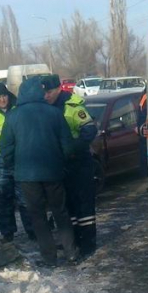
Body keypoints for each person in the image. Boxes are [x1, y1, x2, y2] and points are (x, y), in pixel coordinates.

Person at [0, 76, 77, 267]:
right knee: (60, 212)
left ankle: (49, 257)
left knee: (38, 216)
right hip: (53, 172)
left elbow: (5, 146)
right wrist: (63, 162)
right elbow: (67, 145)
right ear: (39, 92)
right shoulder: (54, 113)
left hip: (27, 176)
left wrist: (12, 166)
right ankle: (71, 251)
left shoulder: (13, 116)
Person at [41, 74, 99, 257]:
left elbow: (89, 130)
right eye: (44, 93)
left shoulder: (73, 106)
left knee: (84, 204)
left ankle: (88, 242)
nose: (46, 96)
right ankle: (74, 241)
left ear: (58, 89)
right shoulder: (44, 109)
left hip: (79, 162)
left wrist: (73, 148)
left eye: (49, 92)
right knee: (67, 205)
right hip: (60, 164)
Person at [0, 82, 34, 242]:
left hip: (20, 162)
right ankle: (7, 233)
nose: (2, 100)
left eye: (4, 96)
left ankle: (32, 230)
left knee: (25, 199)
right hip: (0, 165)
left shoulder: (19, 110)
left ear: (8, 96)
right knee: (3, 200)